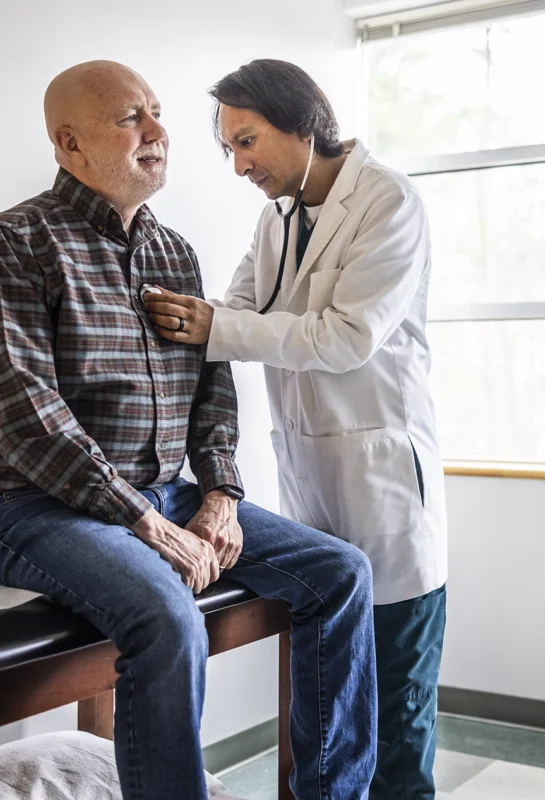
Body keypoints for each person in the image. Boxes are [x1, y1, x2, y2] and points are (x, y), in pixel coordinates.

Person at [0, 60, 377, 800]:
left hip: (165, 493)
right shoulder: (18, 242)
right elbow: (26, 414)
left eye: (156, 113)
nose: (157, 132)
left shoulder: (172, 251)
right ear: (69, 144)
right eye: (130, 118)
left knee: (340, 574)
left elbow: (211, 387)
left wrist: (220, 496)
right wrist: (143, 520)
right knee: (167, 615)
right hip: (37, 506)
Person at [145, 59, 448, 799]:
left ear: (303, 122)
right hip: (311, 478)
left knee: (397, 710)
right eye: (229, 149)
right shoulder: (278, 217)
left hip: (383, 482)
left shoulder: (388, 201)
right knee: (335, 695)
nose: (239, 166)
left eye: (248, 142)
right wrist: (169, 319)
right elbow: (235, 311)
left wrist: (215, 326)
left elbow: (347, 337)